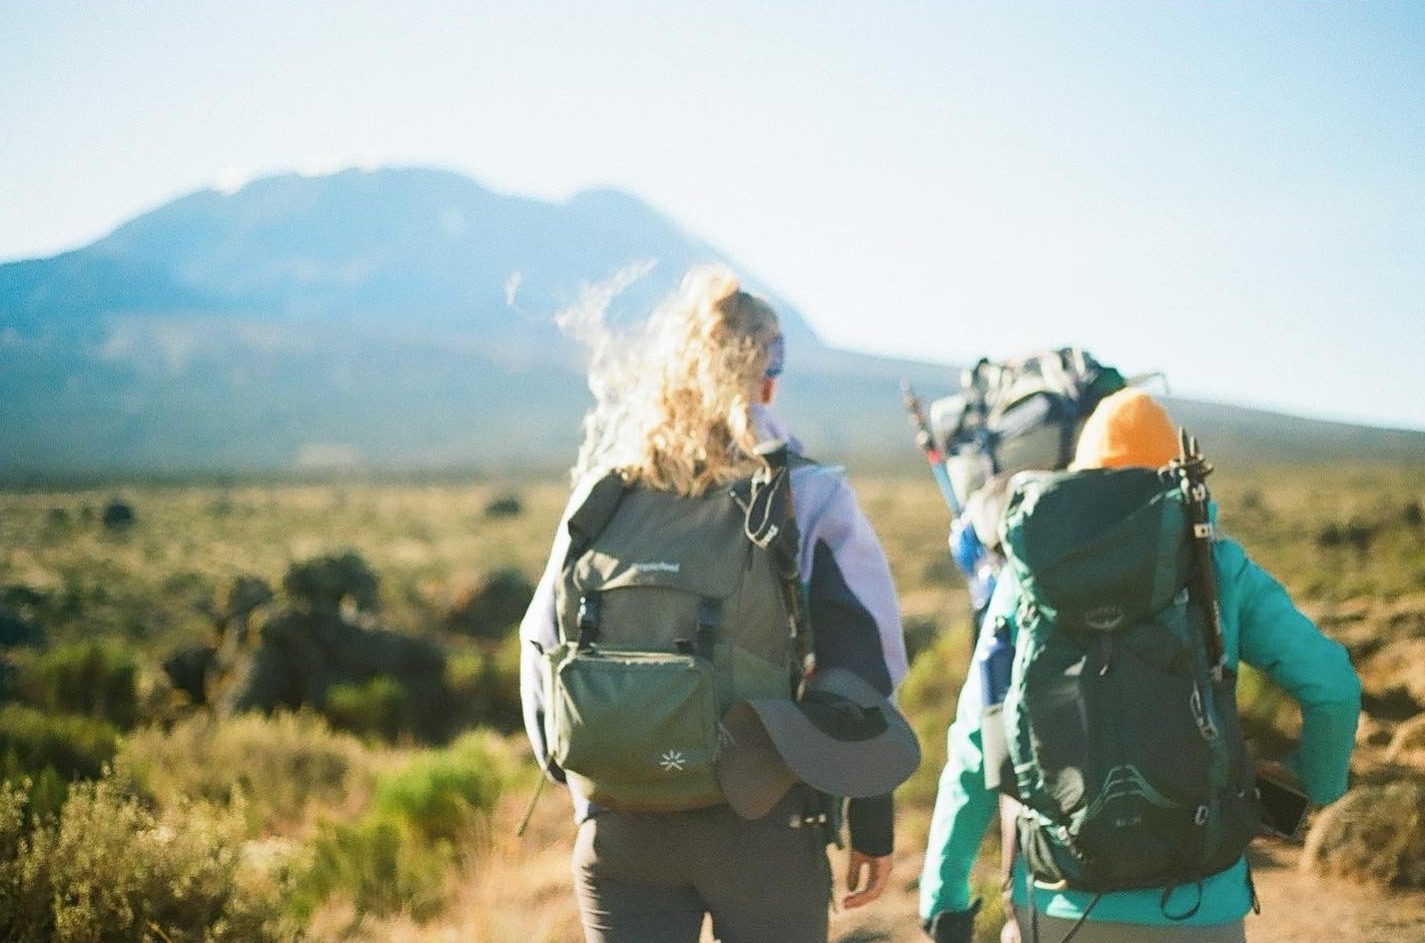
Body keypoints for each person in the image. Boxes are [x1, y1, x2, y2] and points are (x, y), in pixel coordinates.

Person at [519, 265, 912, 943]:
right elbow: (862, 673)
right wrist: (869, 820)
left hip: (621, 830)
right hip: (761, 825)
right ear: (766, 375)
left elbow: (539, 651)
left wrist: (604, 786)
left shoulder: (605, 496)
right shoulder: (806, 493)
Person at [918, 387, 1361, 943]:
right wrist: (1304, 796)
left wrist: (945, 896)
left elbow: (975, 742)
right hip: (1200, 903)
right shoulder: (1214, 561)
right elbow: (1333, 688)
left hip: (1060, 898)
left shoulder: (1025, 578)